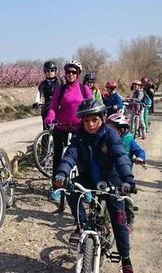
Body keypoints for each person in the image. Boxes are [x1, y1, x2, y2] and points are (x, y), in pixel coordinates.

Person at [53, 98, 136, 273]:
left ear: (102, 118)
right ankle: (81, 224)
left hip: (112, 181)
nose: (90, 124)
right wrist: (62, 173)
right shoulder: (79, 135)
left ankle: (126, 259)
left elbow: (121, 157)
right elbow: (70, 155)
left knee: (119, 220)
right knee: (72, 189)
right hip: (88, 178)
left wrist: (127, 179)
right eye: (86, 120)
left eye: (94, 120)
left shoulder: (110, 134)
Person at [44, 60, 92, 201]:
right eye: (68, 72)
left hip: (79, 128)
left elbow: (91, 106)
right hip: (61, 127)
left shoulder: (84, 89)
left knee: (84, 157)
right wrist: (49, 117)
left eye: (74, 72)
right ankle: (56, 187)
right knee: (58, 158)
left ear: (78, 74)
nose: (71, 75)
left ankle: (86, 188)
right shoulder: (61, 89)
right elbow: (53, 107)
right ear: (65, 74)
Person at [106, 113, 146, 233]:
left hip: (123, 175)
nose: (109, 131)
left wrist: (140, 157)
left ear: (121, 129)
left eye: (112, 128)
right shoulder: (106, 138)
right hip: (109, 173)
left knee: (126, 198)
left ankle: (129, 221)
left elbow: (140, 151)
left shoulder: (129, 139)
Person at [33, 61, 62, 130]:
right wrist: (37, 102)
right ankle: (45, 140)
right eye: (47, 71)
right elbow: (39, 93)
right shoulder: (43, 84)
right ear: (45, 72)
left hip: (58, 107)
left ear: (55, 71)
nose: (50, 73)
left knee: (58, 129)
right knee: (46, 128)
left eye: (52, 70)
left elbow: (64, 93)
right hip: (46, 107)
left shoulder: (60, 82)